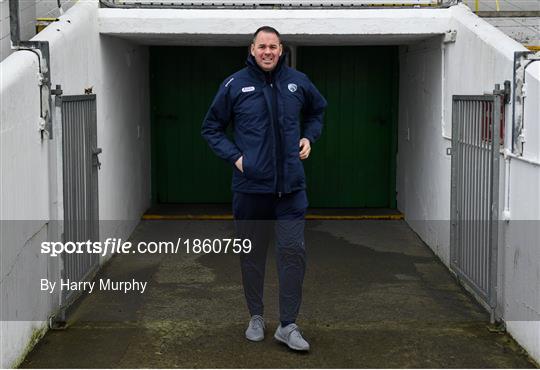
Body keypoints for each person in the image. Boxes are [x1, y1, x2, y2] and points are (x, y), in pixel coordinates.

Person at [201, 26, 327, 351]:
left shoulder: (298, 83)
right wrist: (236, 159)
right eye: (262, 46)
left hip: (291, 191)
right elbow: (211, 127)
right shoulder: (234, 84)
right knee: (252, 258)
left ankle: (288, 325)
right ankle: (255, 316)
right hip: (250, 190)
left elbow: (318, 110)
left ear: (281, 49)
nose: (268, 51)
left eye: (273, 46)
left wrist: (308, 138)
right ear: (252, 49)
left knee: (292, 255)